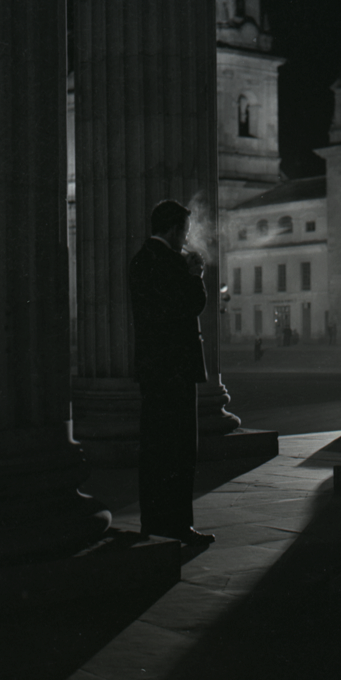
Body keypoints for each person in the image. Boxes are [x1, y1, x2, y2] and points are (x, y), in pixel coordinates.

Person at [128, 199, 215, 546]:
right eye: (185, 230)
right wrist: (195, 277)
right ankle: (179, 526)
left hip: (153, 370)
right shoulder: (171, 263)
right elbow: (189, 307)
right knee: (180, 452)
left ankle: (153, 523)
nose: (187, 238)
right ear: (174, 229)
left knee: (154, 451)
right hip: (177, 369)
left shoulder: (140, 260)